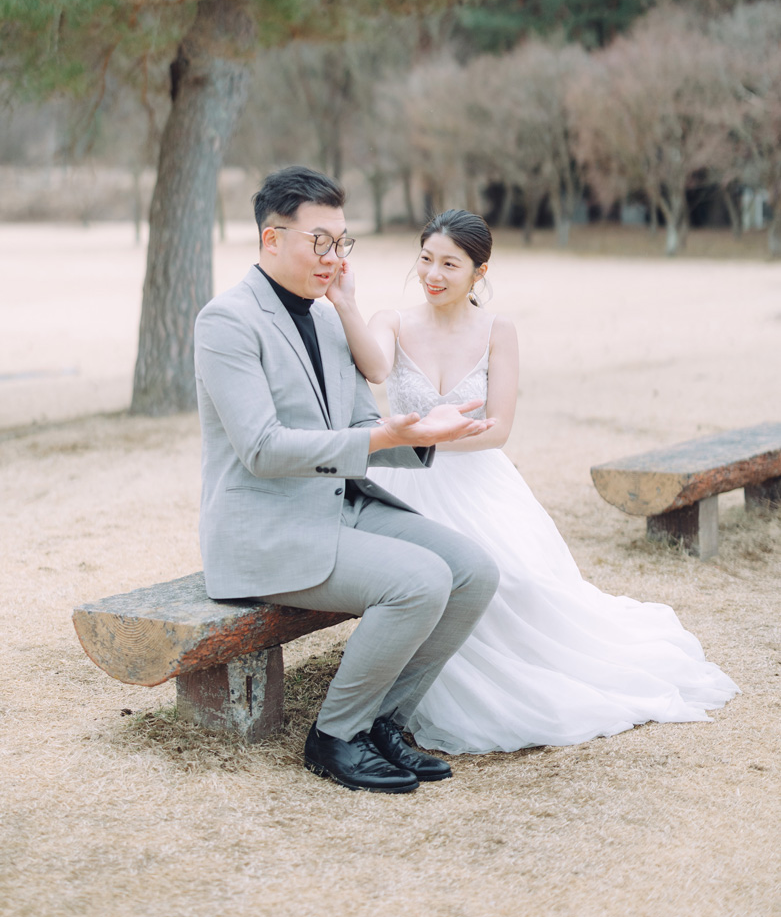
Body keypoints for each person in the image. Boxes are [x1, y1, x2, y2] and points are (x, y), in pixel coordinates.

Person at [325, 208, 739, 754]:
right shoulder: (393, 322)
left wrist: (431, 437)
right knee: (423, 580)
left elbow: (497, 430)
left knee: (520, 581)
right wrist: (346, 304)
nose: (433, 274)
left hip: (476, 481)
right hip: (406, 482)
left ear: (479, 271)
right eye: (426, 259)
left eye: (450, 264)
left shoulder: (498, 330)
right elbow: (377, 369)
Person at [193, 169, 500, 792]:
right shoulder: (226, 321)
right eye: (320, 242)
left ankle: (385, 721)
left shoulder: (331, 319)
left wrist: (420, 432)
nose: (334, 257)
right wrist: (378, 439)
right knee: (419, 581)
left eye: (341, 242)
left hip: (340, 507)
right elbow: (262, 448)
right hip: (267, 530)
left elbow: (362, 424)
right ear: (271, 238)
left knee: (474, 571)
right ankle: (336, 736)